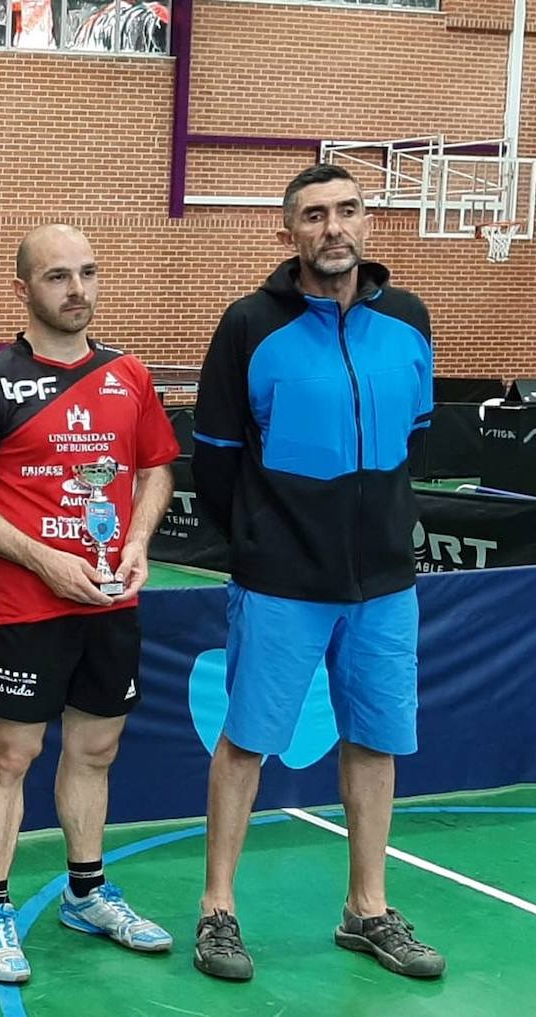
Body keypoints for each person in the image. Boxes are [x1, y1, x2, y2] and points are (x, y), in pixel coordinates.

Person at [190, 163, 444, 981]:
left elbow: (415, 435)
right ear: (287, 232)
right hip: (280, 583)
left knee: (375, 740)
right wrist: (264, 543)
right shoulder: (248, 326)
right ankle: (217, 910)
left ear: (367, 222)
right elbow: (219, 461)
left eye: (347, 211)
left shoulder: (408, 319)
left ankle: (366, 909)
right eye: (313, 216)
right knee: (247, 743)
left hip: (385, 586)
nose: (332, 228)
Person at [0, 224, 179, 983]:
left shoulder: (129, 375)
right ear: (23, 290)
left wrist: (137, 541)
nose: (77, 290)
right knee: (13, 753)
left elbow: (155, 470)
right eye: (57, 277)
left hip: (111, 601)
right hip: (24, 602)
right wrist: (43, 558)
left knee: (96, 750)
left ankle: (86, 891)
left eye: (87, 272)